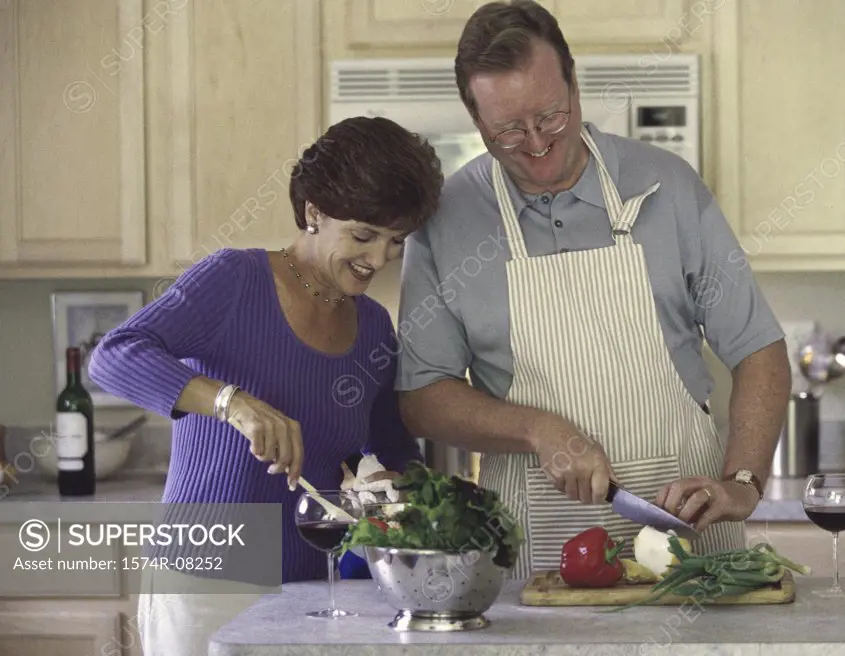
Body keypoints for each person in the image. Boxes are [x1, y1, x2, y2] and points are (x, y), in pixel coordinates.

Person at [394, 0, 792, 579]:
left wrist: (743, 483)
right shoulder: (445, 222)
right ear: (476, 121)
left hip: (691, 537)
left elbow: (759, 350)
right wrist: (537, 427)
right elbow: (422, 396)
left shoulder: (667, 186)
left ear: (575, 83)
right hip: (533, 555)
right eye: (508, 130)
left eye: (552, 117)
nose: (535, 144)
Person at [88, 116, 443, 654]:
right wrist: (232, 403)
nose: (378, 259)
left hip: (309, 590)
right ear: (313, 213)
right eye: (364, 236)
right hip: (204, 582)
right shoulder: (234, 280)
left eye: (395, 242)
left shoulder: (373, 326)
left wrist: (402, 492)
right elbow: (114, 356)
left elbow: (390, 448)